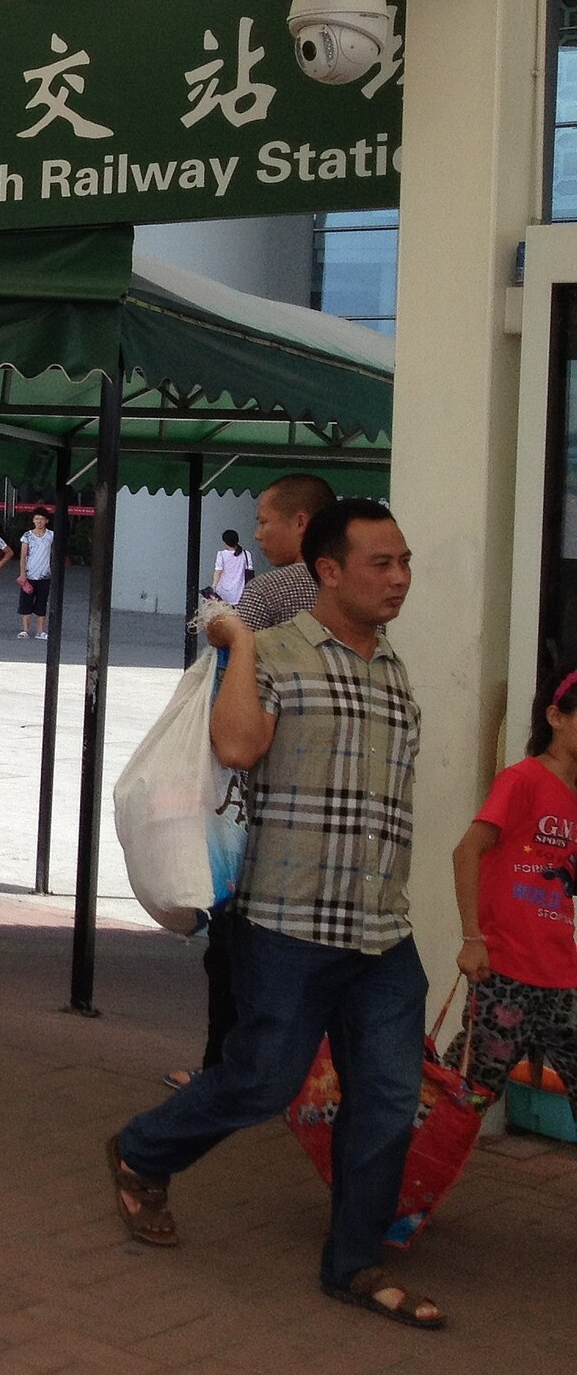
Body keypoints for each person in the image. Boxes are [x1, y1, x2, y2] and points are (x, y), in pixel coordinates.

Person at [110, 499, 446, 1330]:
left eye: (405, 562)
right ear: (328, 570)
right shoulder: (279, 652)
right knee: (261, 1082)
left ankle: (355, 1265)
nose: (400, 578)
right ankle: (143, 1150)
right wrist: (243, 643)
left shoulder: (391, 666)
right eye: (382, 563)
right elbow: (236, 748)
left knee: (388, 1097)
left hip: (381, 931)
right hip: (289, 925)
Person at [163, 472, 337, 1088]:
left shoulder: (282, 586)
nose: (258, 531)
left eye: (266, 520)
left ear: (302, 524)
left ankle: (226, 1072)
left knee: (234, 941)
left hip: (255, 780)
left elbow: (220, 627)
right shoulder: (338, 595)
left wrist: (222, 622)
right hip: (312, 787)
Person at [442, 662, 577, 1104]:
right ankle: (407, 1164)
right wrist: (472, 938)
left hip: (562, 973)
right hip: (505, 971)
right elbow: (467, 851)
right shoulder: (522, 780)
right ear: (555, 718)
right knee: (467, 1093)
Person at [236, 472, 335, 631]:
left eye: (263, 522)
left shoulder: (265, 591)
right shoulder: (361, 588)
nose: (257, 535)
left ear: (300, 523)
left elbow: (235, 653)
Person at [16, 511, 55, 640]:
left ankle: (40, 631)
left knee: (42, 603)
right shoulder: (27, 536)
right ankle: (25, 630)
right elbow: (23, 556)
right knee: (26, 603)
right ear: (33, 520)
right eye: (36, 519)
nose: (39, 521)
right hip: (29, 574)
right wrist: (22, 574)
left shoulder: (51, 535)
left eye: (41, 519)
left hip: (45, 575)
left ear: (46, 521)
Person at [211, 529, 254, 608]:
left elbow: (218, 572)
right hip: (240, 592)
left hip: (223, 592)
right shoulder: (246, 554)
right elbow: (250, 572)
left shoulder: (221, 554)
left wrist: (214, 586)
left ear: (225, 542)